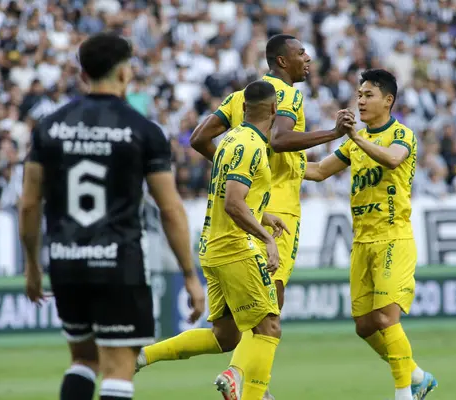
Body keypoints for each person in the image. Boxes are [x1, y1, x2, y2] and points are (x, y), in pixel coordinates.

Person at [19, 32, 205, 400]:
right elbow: (169, 208)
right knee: (119, 368)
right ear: (124, 74)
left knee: (83, 359)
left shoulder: (49, 128)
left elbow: (28, 204)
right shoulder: (144, 131)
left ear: (83, 74)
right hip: (120, 264)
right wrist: (189, 275)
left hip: (67, 263)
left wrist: (32, 267)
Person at [168, 33, 352, 399]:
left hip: (252, 210)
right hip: (278, 212)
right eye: (301, 53)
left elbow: (200, 138)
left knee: (247, 318)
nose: (308, 58)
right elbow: (280, 140)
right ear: (282, 61)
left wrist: (235, 165)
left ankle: (250, 384)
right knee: (269, 311)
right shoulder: (287, 95)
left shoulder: (243, 95)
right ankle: (246, 383)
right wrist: (332, 133)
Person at [135, 80, 291, 400]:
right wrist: (267, 239)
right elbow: (233, 204)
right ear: (274, 110)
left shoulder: (231, 138)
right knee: (268, 327)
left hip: (213, 248)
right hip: (236, 248)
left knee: (226, 337)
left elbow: (231, 197)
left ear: (243, 108)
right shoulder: (252, 146)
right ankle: (243, 386)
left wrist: (262, 215)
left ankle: (143, 356)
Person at [303, 69, 438, 400]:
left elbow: (393, 160)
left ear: (388, 100)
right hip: (361, 242)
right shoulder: (355, 145)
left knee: (385, 317)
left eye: (368, 95)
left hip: (393, 239)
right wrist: (271, 163)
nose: (361, 101)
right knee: (364, 325)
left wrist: (356, 138)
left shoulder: (401, 135)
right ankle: (417, 375)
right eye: (359, 95)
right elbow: (319, 171)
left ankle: (404, 393)